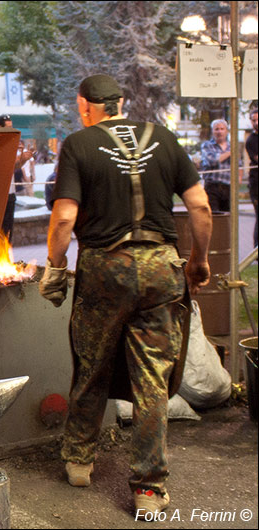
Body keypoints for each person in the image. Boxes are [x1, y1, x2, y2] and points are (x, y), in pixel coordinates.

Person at [39, 74, 212, 518]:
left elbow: (63, 218)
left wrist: (56, 267)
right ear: (122, 101)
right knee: (153, 380)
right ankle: (149, 490)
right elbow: (200, 208)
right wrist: (198, 261)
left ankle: (79, 461)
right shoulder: (166, 137)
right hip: (162, 269)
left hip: (104, 269)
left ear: (85, 106)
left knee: (92, 362)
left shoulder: (79, 144)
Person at [0, 114, 33, 242]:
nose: (11, 129)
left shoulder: (11, 142)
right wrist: (20, 159)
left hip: (10, 193)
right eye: (8, 127)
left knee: (8, 230)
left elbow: (13, 167)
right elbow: (3, 164)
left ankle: (6, 256)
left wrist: (23, 159)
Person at [200, 118, 241, 212]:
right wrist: (230, 153)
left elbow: (239, 165)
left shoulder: (232, 146)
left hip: (228, 187)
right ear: (212, 131)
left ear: (227, 131)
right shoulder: (207, 145)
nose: (219, 132)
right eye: (216, 129)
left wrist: (238, 180)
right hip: (212, 187)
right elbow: (213, 160)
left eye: (222, 129)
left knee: (228, 218)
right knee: (215, 217)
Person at [246, 109, 258, 248]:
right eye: (254, 120)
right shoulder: (251, 140)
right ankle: (256, 251)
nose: (256, 123)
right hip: (256, 186)